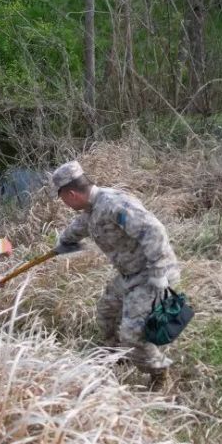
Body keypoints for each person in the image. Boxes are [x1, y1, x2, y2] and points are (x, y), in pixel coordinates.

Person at [51, 160, 181, 385]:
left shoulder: (113, 204)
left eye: (62, 198)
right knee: (107, 312)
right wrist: (64, 242)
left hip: (151, 274)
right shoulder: (92, 209)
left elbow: (154, 230)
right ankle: (117, 355)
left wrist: (159, 273)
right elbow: (82, 225)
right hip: (129, 274)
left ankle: (159, 373)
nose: (64, 203)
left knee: (133, 335)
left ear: (71, 194)